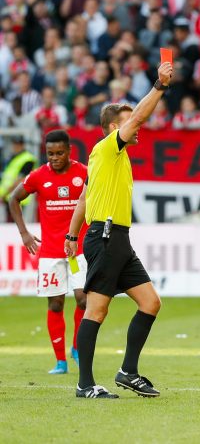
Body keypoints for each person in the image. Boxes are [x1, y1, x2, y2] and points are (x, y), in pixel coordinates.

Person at [63, 61, 173, 399]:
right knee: (97, 309)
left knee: (150, 302)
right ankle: (84, 385)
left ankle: (128, 371)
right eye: (128, 121)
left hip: (118, 239)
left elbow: (84, 196)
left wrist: (70, 235)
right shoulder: (109, 147)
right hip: (106, 237)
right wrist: (159, 85)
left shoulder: (111, 159)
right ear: (114, 127)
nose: (137, 126)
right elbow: (139, 116)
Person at [8, 130, 88, 375]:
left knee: (84, 299)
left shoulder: (84, 172)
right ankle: (60, 361)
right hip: (51, 253)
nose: (55, 157)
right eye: (50, 153)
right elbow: (13, 199)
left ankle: (76, 347)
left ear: (69, 151)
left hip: (78, 250)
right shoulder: (38, 176)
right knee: (55, 304)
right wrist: (24, 233)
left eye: (60, 153)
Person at [1, 136, 36, 222]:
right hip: (9, 196)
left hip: (19, 196)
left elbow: (20, 180)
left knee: (15, 224)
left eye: (18, 144)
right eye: (14, 144)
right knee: (10, 224)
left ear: (22, 145)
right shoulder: (14, 157)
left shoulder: (28, 159)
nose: (15, 147)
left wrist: (5, 194)